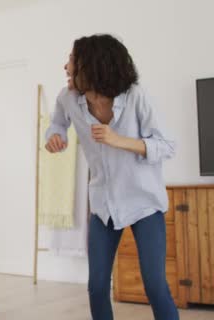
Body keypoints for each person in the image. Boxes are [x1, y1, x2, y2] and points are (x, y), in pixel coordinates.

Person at [45, 34, 178, 320]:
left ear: (91, 66)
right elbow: (56, 124)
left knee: (155, 285)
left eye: (71, 60)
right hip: (104, 204)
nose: (65, 66)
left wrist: (120, 140)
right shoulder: (67, 98)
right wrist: (55, 137)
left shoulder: (135, 96)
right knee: (96, 286)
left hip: (144, 202)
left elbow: (166, 145)